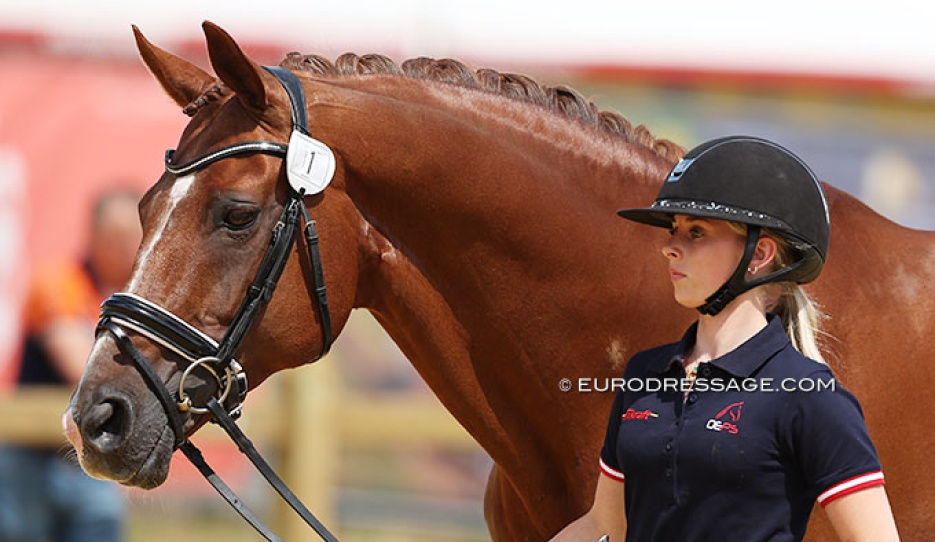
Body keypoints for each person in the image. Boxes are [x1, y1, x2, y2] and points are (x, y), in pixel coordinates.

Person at [551, 136, 900, 541]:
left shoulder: (810, 396)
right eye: (674, 230)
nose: (669, 247)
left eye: (695, 232)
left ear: (759, 254)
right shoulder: (643, 375)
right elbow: (604, 525)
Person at [0, 189, 141, 542]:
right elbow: (84, 368)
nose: (125, 248)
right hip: (32, 461)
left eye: (133, 238)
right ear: (93, 236)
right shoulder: (58, 283)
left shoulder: (138, 300)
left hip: (93, 460)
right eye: (116, 238)